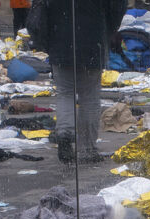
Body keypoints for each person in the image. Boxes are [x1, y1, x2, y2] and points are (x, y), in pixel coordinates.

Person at [41, 0, 126, 165]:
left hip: (60, 40)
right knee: (89, 96)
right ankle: (87, 149)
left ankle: (65, 134)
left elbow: (41, 10)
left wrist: (47, 37)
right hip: (92, 41)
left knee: (65, 93)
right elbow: (118, 7)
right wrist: (108, 28)